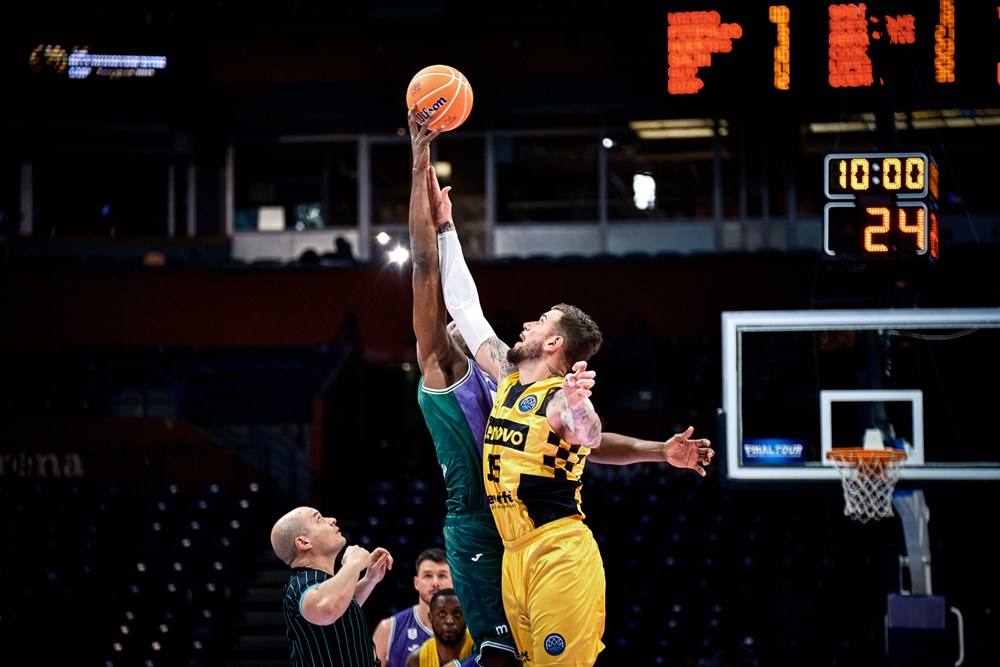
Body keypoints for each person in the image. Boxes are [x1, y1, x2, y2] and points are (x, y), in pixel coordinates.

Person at [407, 113, 714, 666]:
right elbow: (464, 305)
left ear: (555, 346)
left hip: (558, 552)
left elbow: (585, 432)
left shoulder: (561, 399)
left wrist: (581, 409)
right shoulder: (504, 374)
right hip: (515, 555)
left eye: (540, 321)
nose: (527, 323)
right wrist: (448, 228)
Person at [270, 506, 393, 667]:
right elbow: (327, 609)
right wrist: (353, 563)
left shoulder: (323, 585)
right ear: (303, 542)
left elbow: (342, 607)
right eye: (318, 518)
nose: (332, 520)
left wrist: (370, 579)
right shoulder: (300, 583)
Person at [373, 548, 454, 667]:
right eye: (428, 576)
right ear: (416, 583)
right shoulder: (388, 628)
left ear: (453, 581)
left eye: (442, 576)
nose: (435, 583)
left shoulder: (471, 628)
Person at [405, 589, 478, 667]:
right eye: (442, 613)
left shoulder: (480, 650)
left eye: (457, 613)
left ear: (466, 616)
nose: (449, 621)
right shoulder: (417, 660)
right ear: (430, 618)